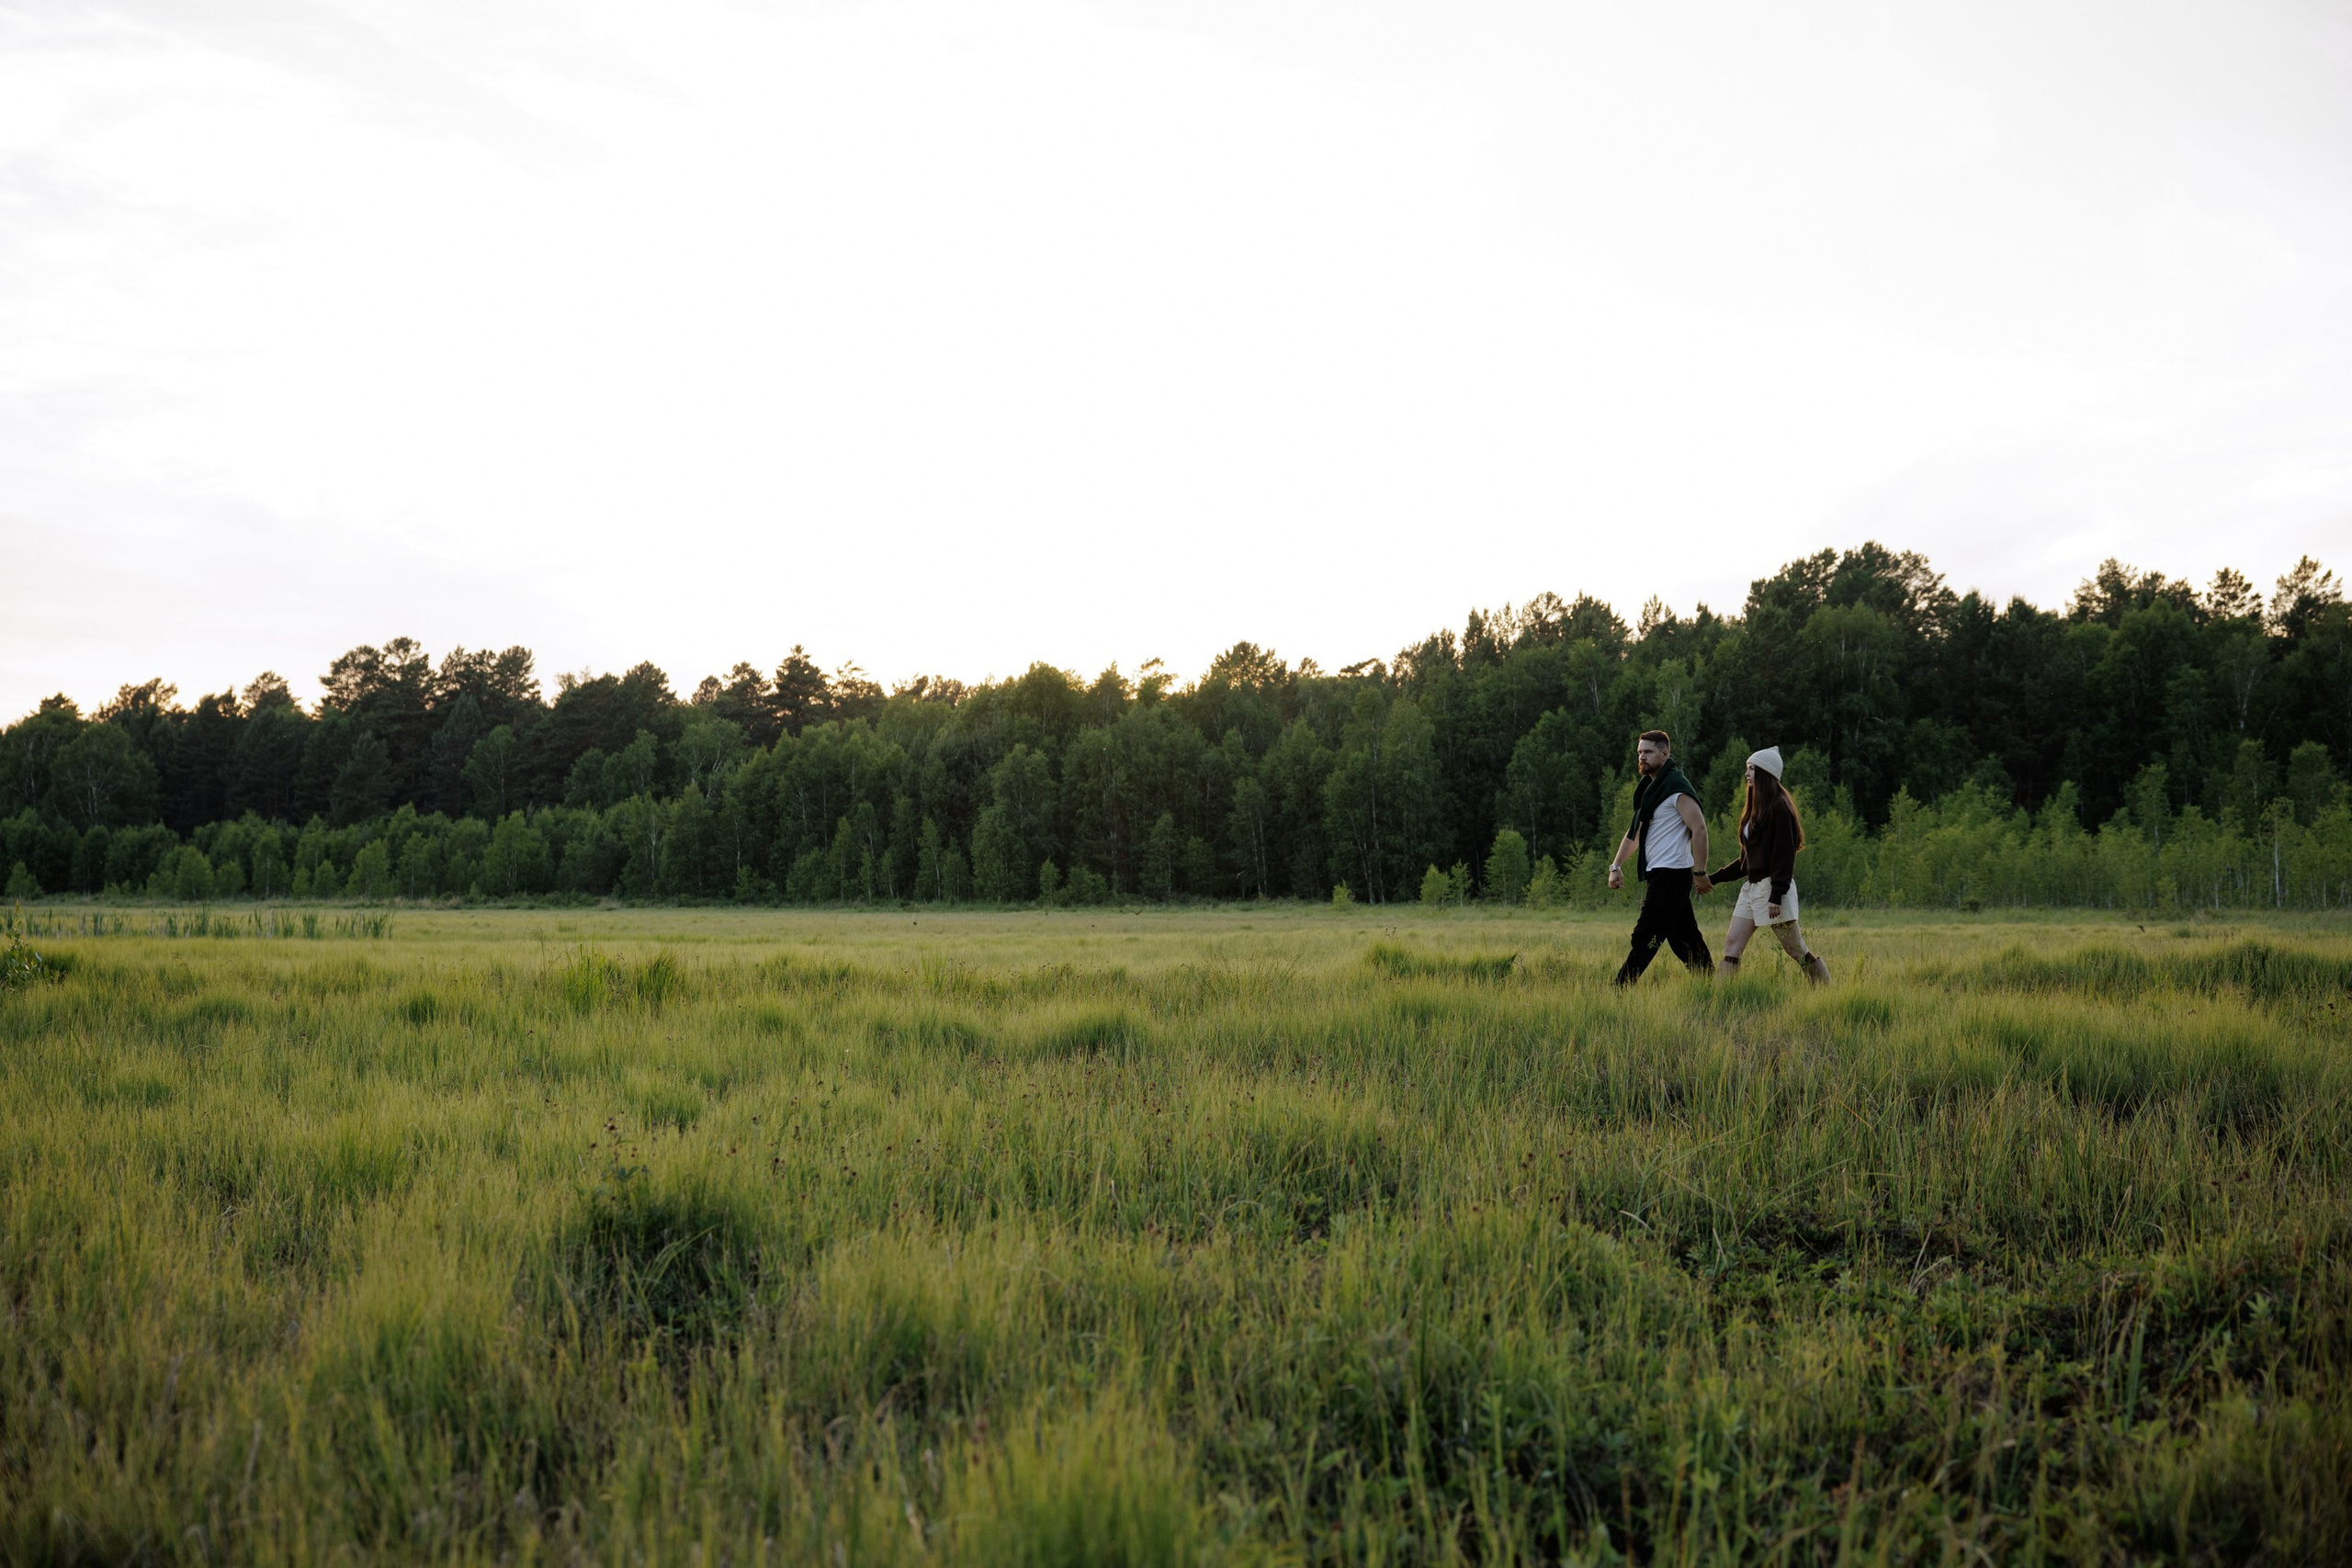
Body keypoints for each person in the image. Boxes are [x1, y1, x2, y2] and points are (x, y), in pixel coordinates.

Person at [1705, 746, 1831, 984]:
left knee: (1795, 949)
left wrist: (1776, 895)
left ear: (1765, 773)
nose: (1747, 774)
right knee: (1732, 943)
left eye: (1752, 769)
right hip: (1751, 889)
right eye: (1747, 769)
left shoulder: (1780, 807)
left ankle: (1827, 991)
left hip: (1772, 889)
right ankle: (1720, 999)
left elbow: (1785, 857)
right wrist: (1713, 878)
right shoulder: (1756, 809)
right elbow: (1746, 860)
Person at [1607, 729, 1713, 984]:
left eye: (1648, 752)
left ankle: (1620, 989)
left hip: (1672, 874)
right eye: (1640, 752)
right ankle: (1711, 984)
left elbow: (1699, 829)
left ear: (1665, 754)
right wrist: (1616, 865)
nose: (1642, 757)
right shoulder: (1651, 790)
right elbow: (1635, 833)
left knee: (1648, 935)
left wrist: (1699, 872)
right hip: (1661, 873)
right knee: (1683, 937)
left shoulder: (1677, 788)